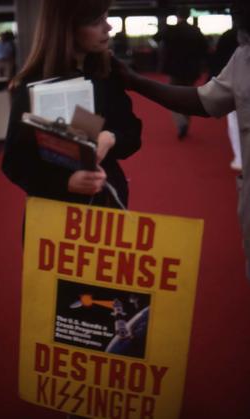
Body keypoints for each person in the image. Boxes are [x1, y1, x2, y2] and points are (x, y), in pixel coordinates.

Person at [114, 0, 250, 279]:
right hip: (190, 72)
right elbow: (205, 99)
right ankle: (181, 121)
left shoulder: (178, 32)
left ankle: (180, 123)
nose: (233, 6)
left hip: (177, 69)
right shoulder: (242, 56)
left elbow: (159, 39)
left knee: (181, 100)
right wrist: (137, 82)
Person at [2, 0, 142, 212]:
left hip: (107, 207)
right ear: (66, 28)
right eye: (96, 21)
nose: (108, 27)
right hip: (56, 217)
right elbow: (15, 162)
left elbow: (132, 134)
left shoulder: (107, 75)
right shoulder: (32, 85)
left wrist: (111, 138)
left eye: (106, 16)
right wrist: (65, 183)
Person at [156, 7, 208, 139]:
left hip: (175, 69)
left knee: (171, 98)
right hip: (192, 70)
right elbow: (204, 49)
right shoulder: (195, 30)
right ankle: (185, 122)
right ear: (189, 16)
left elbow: (156, 37)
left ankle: (181, 122)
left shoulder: (172, 29)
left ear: (177, 16)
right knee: (188, 97)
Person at [209, 26, 242, 171]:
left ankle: (240, 158)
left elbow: (218, 59)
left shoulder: (228, 36)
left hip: (235, 85)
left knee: (234, 121)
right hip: (236, 85)